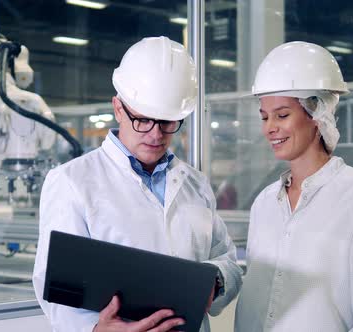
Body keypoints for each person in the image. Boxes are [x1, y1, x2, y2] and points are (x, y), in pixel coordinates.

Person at [33, 36, 242, 332]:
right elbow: (53, 287)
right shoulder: (72, 182)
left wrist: (215, 281)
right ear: (118, 108)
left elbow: (228, 260)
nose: (156, 134)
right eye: (143, 120)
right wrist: (95, 330)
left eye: (168, 122)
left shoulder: (196, 184)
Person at [234, 41, 353, 331]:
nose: (269, 128)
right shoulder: (265, 203)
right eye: (264, 117)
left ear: (317, 112)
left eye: (282, 115)